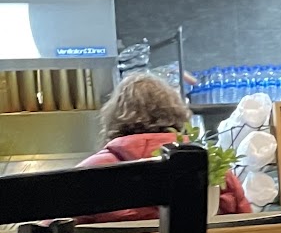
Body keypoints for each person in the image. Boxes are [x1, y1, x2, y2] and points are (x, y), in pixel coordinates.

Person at [77, 72, 251, 221]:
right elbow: (248, 230)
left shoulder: (88, 174)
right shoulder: (212, 167)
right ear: (178, 114)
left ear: (112, 119)